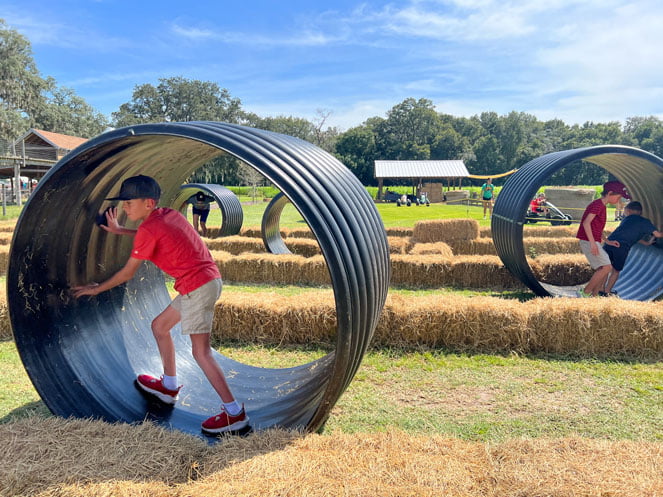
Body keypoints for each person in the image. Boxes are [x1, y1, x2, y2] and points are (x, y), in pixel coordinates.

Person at [72, 175, 249, 434]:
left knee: (201, 353)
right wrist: (122, 231)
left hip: (197, 287)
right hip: (203, 282)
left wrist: (96, 288)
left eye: (130, 202)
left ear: (148, 203)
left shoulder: (149, 228)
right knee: (160, 327)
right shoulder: (168, 214)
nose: (125, 208)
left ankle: (234, 413)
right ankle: (168, 386)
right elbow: (155, 234)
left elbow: (127, 274)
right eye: (123, 203)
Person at [575, 180, 630, 298]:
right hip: (588, 240)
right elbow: (586, 223)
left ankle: (595, 296)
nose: (619, 200)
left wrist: (607, 241)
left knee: (603, 268)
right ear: (610, 193)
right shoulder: (598, 205)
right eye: (619, 197)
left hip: (592, 240)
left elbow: (596, 227)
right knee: (607, 267)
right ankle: (585, 293)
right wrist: (592, 244)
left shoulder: (601, 206)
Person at [601, 201, 663, 295]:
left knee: (605, 268)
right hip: (621, 247)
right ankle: (607, 291)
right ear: (640, 212)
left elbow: (629, 235)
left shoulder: (626, 219)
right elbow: (658, 235)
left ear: (628, 211)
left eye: (624, 210)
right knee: (616, 270)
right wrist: (649, 242)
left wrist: (646, 243)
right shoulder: (645, 222)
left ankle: (600, 290)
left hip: (609, 243)